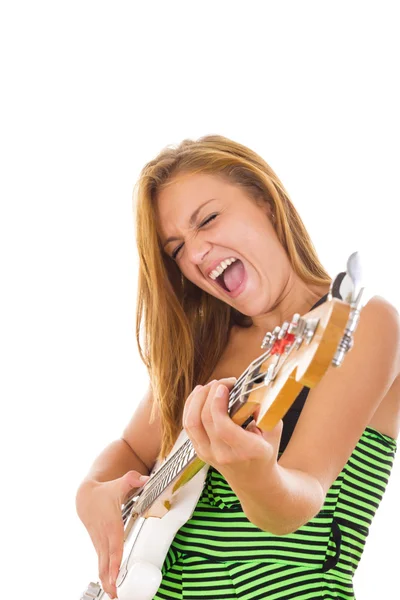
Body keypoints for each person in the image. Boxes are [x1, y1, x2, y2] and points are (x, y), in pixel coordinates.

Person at [76, 135, 400, 599]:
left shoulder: (361, 322)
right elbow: (130, 446)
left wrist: (255, 473)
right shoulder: (204, 348)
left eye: (207, 219)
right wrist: (91, 491)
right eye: (176, 249)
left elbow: (298, 501)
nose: (195, 253)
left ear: (266, 203)